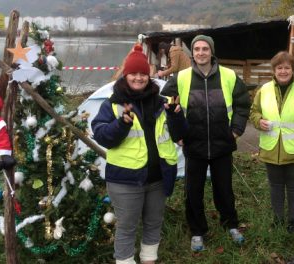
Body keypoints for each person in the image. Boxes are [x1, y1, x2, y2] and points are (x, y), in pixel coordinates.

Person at [92, 44, 185, 264]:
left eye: (143, 74)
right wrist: (122, 124)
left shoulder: (162, 103)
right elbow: (102, 136)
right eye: (134, 73)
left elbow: (180, 136)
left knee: (154, 222)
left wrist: (177, 116)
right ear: (126, 76)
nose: (138, 78)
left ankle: (148, 259)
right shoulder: (112, 104)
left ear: (149, 75)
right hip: (125, 180)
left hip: (158, 178)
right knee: (127, 227)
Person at [161, 35, 251, 251]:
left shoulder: (228, 76)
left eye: (205, 49)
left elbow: (242, 103)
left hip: (222, 144)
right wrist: (177, 133)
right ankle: (197, 231)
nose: (201, 53)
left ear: (211, 52)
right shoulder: (182, 77)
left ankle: (231, 225)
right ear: (193, 53)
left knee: (224, 189)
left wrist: (236, 130)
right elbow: (166, 103)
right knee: (193, 191)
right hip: (194, 145)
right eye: (197, 49)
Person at [250, 51, 294, 233]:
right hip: (270, 149)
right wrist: (259, 121)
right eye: (279, 68)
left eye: (287, 67)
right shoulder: (263, 90)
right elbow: (254, 112)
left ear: (293, 70)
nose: (283, 71)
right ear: (274, 70)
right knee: (275, 186)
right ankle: (278, 219)